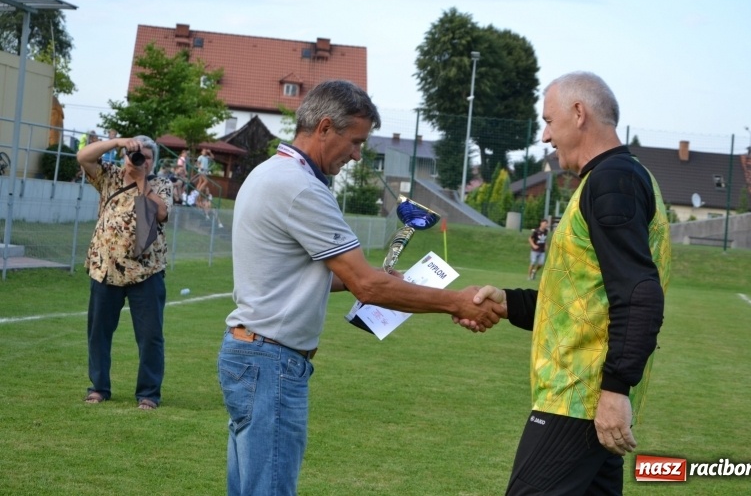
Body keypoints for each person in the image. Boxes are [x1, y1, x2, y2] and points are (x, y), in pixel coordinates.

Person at [218, 80, 504, 496]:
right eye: (355, 142)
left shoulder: (271, 172)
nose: (356, 154)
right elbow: (366, 286)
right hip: (270, 362)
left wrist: (398, 281)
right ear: (325, 128)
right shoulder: (301, 187)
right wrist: (457, 301)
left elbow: (317, 275)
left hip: (253, 356)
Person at [456, 71, 672, 495]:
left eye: (549, 121)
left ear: (578, 113)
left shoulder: (613, 182)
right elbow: (584, 299)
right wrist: (508, 302)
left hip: (579, 398)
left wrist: (614, 389)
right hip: (585, 400)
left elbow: (639, 293)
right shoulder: (615, 177)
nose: (545, 136)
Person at [77, 134, 173, 411]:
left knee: (150, 336)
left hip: (147, 273)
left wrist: (142, 179)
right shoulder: (110, 176)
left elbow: (161, 213)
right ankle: (98, 388)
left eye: (147, 156)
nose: (140, 160)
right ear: (125, 156)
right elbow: (83, 156)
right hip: (106, 270)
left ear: (153, 161)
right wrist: (119, 142)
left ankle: (148, 394)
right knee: (98, 333)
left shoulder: (160, 184)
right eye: (136, 154)